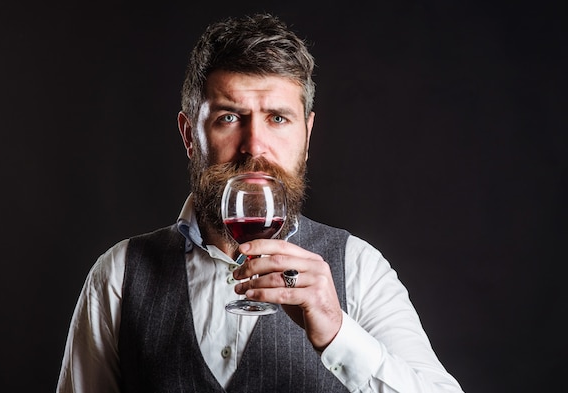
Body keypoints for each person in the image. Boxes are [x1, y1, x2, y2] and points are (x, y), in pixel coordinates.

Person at [56, 13, 464, 393]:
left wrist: (338, 333)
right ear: (188, 135)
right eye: (229, 117)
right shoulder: (118, 274)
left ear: (307, 136)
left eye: (278, 119)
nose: (255, 146)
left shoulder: (358, 268)